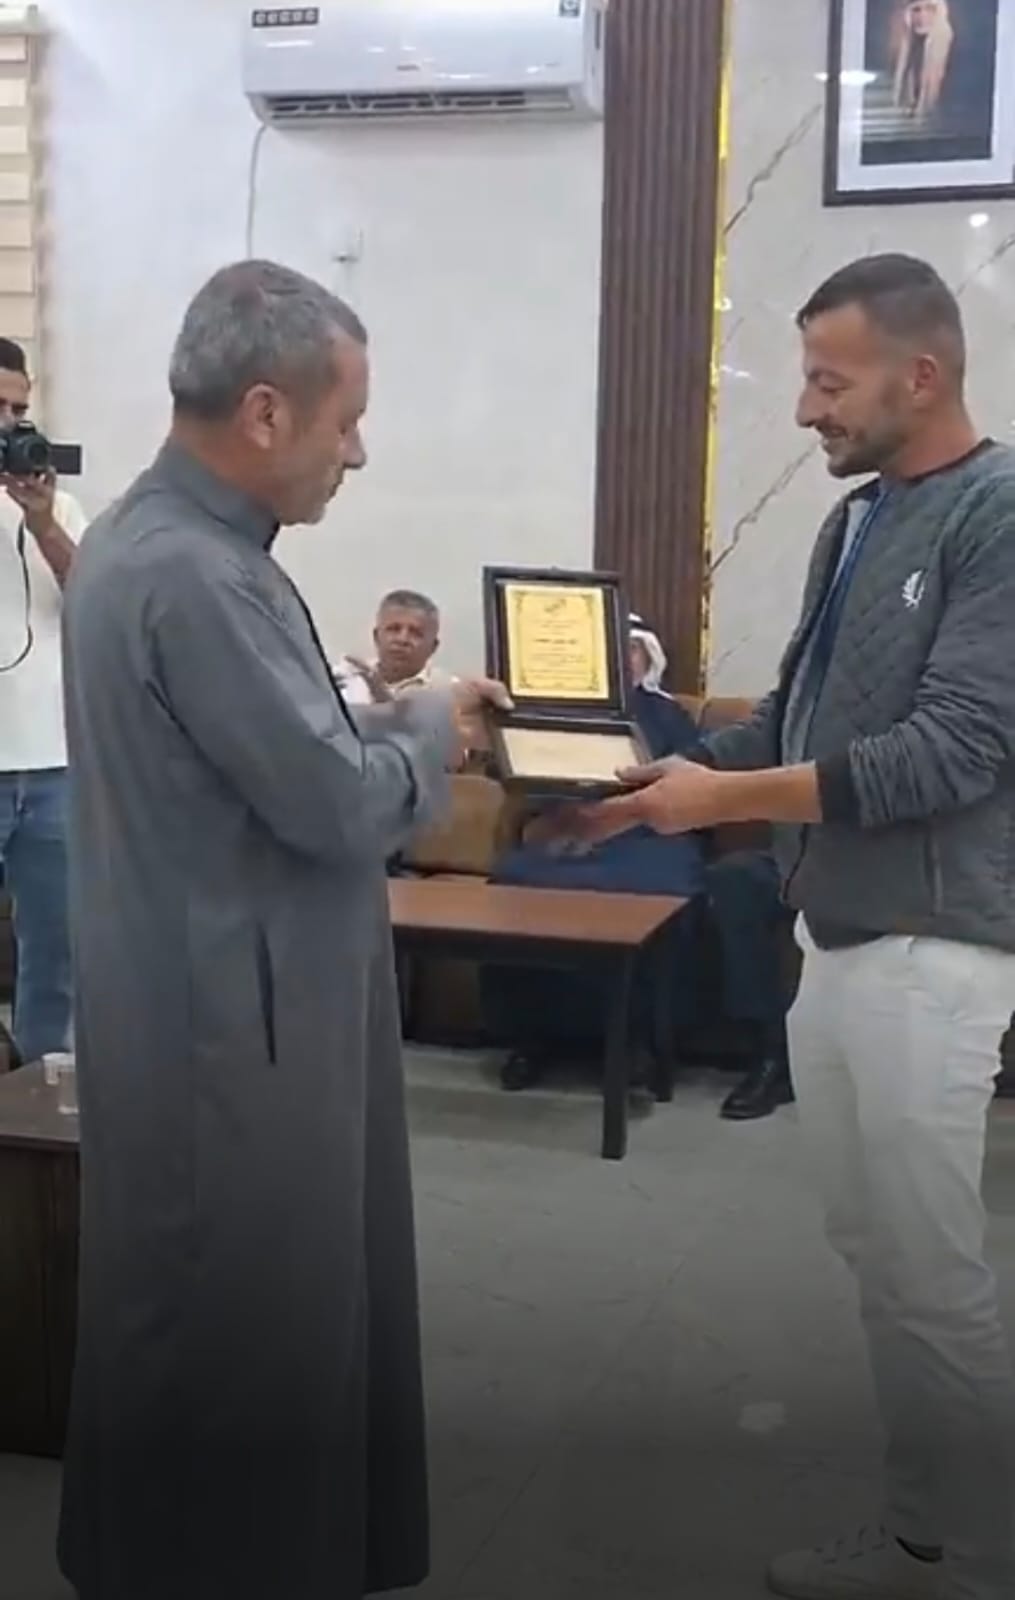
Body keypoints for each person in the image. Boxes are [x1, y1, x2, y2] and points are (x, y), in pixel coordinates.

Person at [550, 255, 1015, 1600]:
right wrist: (660, 786)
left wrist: (723, 799)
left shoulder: (996, 515)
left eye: (826, 380)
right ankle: (925, 1529)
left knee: (928, 1271)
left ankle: (966, 1554)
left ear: (918, 375)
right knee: (877, 1258)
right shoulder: (855, 519)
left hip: (934, 946)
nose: (805, 408)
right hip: (835, 939)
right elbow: (795, 719)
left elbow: (950, 753)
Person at [58, 260, 508, 1600]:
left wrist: (387, 726)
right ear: (265, 411)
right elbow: (333, 802)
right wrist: (430, 731)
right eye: (345, 420)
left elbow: (265, 749)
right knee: (248, 1343)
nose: (355, 452)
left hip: (201, 999)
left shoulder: (150, 543)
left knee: (193, 1324)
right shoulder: (196, 574)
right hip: (234, 1034)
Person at [0, 336, 85, 1065]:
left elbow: (94, 599)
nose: (11, 422)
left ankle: (37, 1087)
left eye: (19, 408)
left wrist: (42, 522)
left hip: (53, 765)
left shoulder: (60, 507)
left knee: (54, 947)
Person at [335, 588, 451, 705]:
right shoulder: (345, 680)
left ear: (433, 647)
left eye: (416, 633)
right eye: (393, 629)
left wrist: (377, 688)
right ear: (376, 636)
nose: (402, 640)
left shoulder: (448, 693)